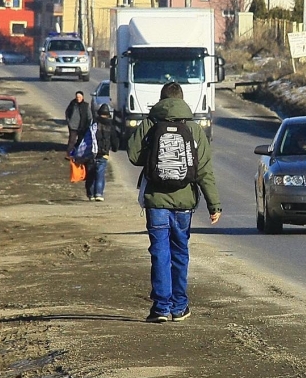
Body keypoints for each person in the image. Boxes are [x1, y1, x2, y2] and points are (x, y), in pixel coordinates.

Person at [128, 82, 221, 323]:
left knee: (160, 252)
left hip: (156, 201)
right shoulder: (194, 128)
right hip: (184, 202)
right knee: (180, 252)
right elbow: (204, 171)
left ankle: (160, 308)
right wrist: (214, 205)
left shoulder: (150, 123)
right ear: (181, 100)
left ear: (161, 99)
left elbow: (133, 155)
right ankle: (179, 307)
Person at [86, 103, 118, 201]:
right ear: (108, 114)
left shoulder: (93, 124)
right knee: (100, 174)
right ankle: (98, 193)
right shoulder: (111, 126)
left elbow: (86, 137)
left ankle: (91, 194)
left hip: (91, 153)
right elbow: (115, 139)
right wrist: (115, 148)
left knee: (90, 174)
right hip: (104, 153)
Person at [65, 90, 92, 158]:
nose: (78, 98)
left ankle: (78, 154)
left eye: (79, 97)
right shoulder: (73, 104)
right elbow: (67, 112)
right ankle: (69, 154)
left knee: (80, 141)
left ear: (82, 97)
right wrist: (69, 122)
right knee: (71, 141)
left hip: (82, 127)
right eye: (77, 97)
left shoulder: (86, 106)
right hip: (73, 127)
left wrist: (87, 126)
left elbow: (89, 117)